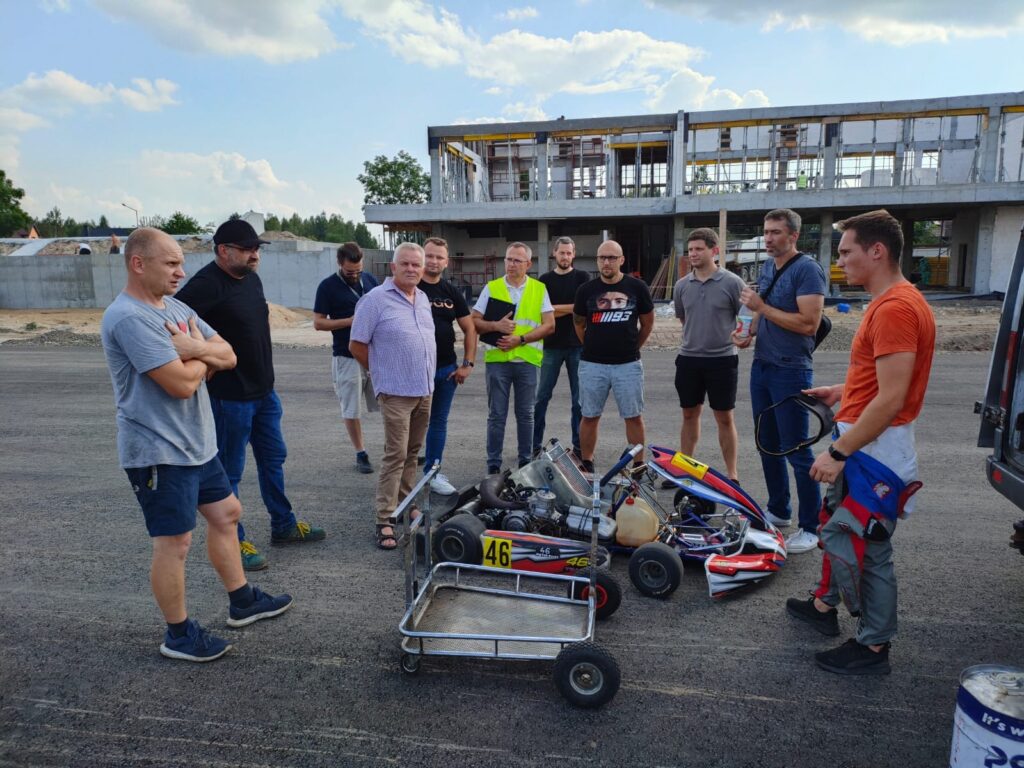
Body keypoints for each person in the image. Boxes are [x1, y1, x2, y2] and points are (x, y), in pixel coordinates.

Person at [101, 227, 292, 662]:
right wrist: (202, 355)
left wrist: (192, 349)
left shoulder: (176, 307)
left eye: (180, 262)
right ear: (138, 263)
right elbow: (182, 385)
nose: (181, 271)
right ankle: (179, 634)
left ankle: (242, 600)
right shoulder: (130, 318)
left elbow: (229, 353)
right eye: (170, 264)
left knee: (227, 514)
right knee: (175, 541)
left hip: (197, 444)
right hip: (159, 450)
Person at [785, 209, 935, 675]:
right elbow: (881, 384)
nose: (840, 261)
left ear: (877, 251)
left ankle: (874, 648)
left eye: (847, 251)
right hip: (865, 441)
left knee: (869, 550)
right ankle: (826, 607)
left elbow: (891, 399)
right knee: (843, 530)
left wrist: (837, 452)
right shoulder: (895, 302)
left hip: (873, 450)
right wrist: (842, 393)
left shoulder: (894, 309)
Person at [177, 220, 325, 573]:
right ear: (223, 250)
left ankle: (283, 525)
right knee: (230, 473)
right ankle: (233, 541)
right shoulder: (204, 285)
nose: (255, 254)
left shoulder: (251, 278)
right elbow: (172, 324)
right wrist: (202, 356)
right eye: (247, 249)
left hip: (264, 393)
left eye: (256, 248)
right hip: (229, 397)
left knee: (274, 459)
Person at [734, 208, 825, 554]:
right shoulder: (768, 267)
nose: (768, 239)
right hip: (763, 366)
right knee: (767, 443)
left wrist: (761, 307)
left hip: (791, 369)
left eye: (775, 232)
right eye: (766, 232)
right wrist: (749, 331)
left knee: (797, 449)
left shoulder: (808, 270)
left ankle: (811, 526)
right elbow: (763, 311)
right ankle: (779, 510)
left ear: (793, 236)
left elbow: (808, 324)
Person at [350, 243, 436, 550]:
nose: (412, 269)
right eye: (406, 264)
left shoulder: (423, 298)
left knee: (412, 452)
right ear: (393, 267)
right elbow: (357, 344)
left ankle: (405, 501)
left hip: (424, 390)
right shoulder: (374, 300)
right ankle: (384, 518)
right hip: (396, 392)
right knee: (395, 454)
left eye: (417, 265)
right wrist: (381, 373)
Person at [670, 228, 746, 483]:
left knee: (724, 417)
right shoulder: (682, 285)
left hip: (723, 360)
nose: (693, 254)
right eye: (690, 249)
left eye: (698, 249)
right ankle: (684, 468)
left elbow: (745, 316)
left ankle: (732, 475)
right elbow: (683, 318)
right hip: (689, 359)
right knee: (689, 415)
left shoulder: (732, 282)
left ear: (714, 251)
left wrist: (741, 335)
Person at [471, 242, 555, 474]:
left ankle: (525, 463)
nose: (511, 264)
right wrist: (495, 325)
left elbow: (550, 325)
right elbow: (474, 322)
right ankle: (493, 465)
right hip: (498, 361)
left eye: (517, 260)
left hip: (527, 361)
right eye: (508, 259)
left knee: (526, 415)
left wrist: (521, 340)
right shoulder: (492, 287)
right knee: (496, 415)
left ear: (528, 264)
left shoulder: (539, 289)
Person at [573, 239, 655, 472]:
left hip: (627, 364)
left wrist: (633, 346)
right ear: (597, 260)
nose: (606, 262)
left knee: (633, 416)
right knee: (589, 415)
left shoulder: (637, 288)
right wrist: (591, 345)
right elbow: (579, 324)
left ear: (621, 260)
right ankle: (587, 461)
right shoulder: (585, 291)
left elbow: (647, 324)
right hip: (592, 364)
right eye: (602, 258)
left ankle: (638, 464)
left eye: (611, 257)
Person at [313, 242, 380, 475]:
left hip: (375, 354)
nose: (355, 274)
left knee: (390, 402)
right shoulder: (327, 287)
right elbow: (318, 323)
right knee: (351, 408)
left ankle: (398, 448)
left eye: (358, 270)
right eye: (350, 271)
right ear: (339, 264)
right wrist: (350, 321)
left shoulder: (370, 280)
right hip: (345, 356)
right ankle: (361, 453)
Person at [419, 236, 477, 495]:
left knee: (438, 422)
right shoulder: (410, 287)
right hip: (414, 372)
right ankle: (404, 476)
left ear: (447, 262)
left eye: (439, 257)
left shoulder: (451, 292)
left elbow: (469, 328)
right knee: (408, 425)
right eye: (429, 256)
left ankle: (432, 472)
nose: (433, 261)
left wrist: (468, 364)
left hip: (445, 370)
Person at [534, 237, 589, 457]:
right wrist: (569, 309)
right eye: (561, 253)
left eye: (569, 253)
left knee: (579, 401)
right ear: (554, 254)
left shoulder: (583, 277)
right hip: (550, 346)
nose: (565, 256)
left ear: (573, 254)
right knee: (541, 398)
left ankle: (579, 447)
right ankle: (534, 445)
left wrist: (553, 309)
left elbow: (582, 308)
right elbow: (540, 312)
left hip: (577, 346)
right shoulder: (544, 280)